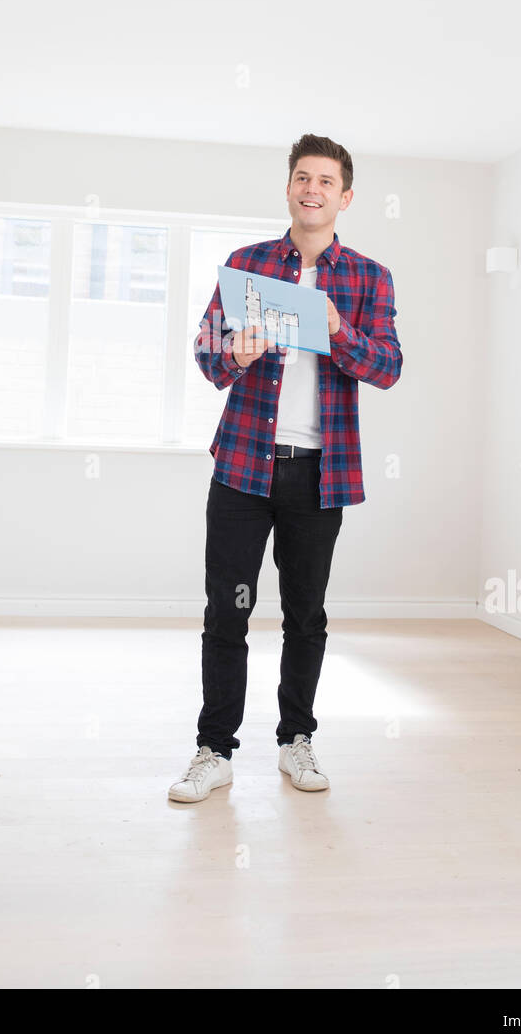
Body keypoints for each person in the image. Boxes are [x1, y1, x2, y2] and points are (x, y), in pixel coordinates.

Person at [168, 133, 403, 802]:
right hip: (243, 469)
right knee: (226, 613)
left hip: (318, 474)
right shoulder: (246, 265)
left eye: (326, 181)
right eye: (303, 177)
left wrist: (338, 331)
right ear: (290, 187)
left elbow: (387, 367)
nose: (313, 189)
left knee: (306, 615)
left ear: (344, 197)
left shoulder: (367, 278)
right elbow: (207, 354)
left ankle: (296, 741)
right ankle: (213, 750)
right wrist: (233, 352)